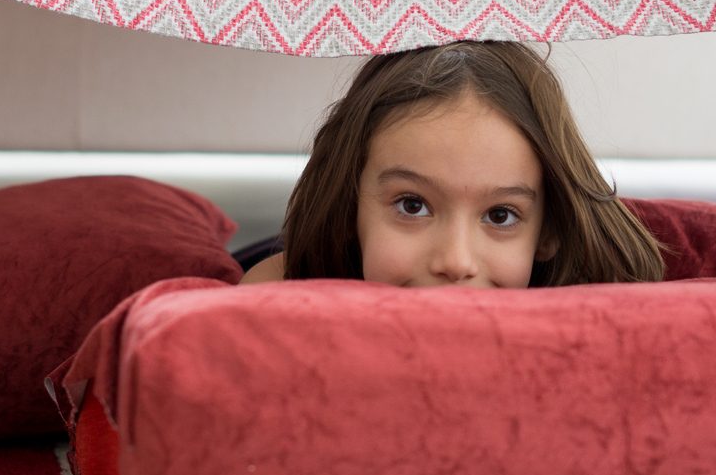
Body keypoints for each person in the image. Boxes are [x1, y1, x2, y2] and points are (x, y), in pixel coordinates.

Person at [238, 39, 664, 289]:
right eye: (412, 205)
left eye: (501, 215)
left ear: (548, 231)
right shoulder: (276, 291)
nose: (457, 262)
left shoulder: (596, 312)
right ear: (350, 207)